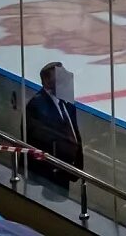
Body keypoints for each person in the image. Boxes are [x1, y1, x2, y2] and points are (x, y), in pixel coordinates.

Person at [25, 62, 83, 191]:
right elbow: (36, 140)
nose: (65, 81)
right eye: (60, 77)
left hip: (64, 171)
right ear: (47, 81)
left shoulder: (68, 104)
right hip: (45, 176)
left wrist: (76, 167)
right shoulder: (36, 106)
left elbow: (75, 135)